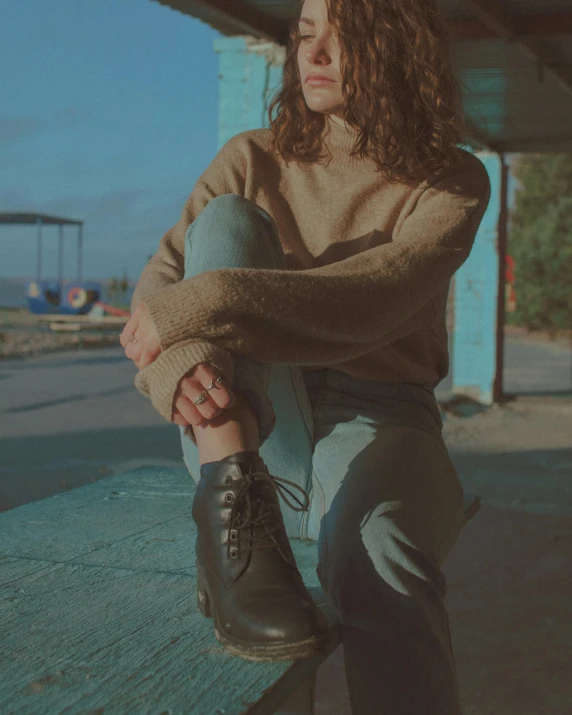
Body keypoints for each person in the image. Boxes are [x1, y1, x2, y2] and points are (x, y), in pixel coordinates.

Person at [120, 0, 491, 711]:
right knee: (227, 219)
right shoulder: (250, 157)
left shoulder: (452, 180)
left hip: (382, 413)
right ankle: (234, 506)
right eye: (304, 36)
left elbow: (375, 297)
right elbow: (162, 280)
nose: (313, 55)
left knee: (377, 555)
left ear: (398, 49)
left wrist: (212, 300)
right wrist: (175, 364)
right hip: (247, 419)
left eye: (342, 39)